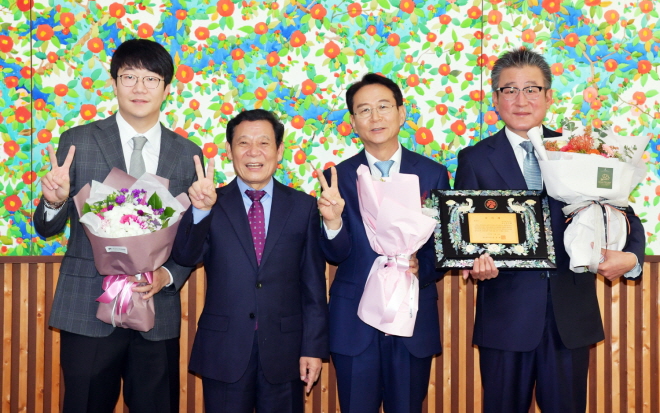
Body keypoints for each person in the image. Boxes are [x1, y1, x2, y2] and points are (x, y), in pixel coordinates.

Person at [454, 47, 646, 413]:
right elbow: (466, 234)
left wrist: (632, 258)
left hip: (569, 318)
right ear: (495, 98)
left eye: (532, 89)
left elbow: (625, 214)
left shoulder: (579, 149)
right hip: (505, 320)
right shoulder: (474, 159)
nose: (521, 100)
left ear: (548, 96)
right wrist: (472, 263)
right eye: (510, 90)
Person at [33, 39, 202, 412]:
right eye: (129, 77)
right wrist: (55, 201)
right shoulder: (78, 141)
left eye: (151, 79)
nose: (140, 88)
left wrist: (168, 275)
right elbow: (47, 228)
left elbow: (194, 236)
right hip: (87, 305)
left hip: (156, 307)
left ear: (166, 89)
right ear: (113, 83)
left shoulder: (187, 153)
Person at [172, 109, 329, 413]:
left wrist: (313, 348)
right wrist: (200, 211)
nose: (253, 152)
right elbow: (185, 256)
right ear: (229, 150)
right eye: (243, 143)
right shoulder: (210, 202)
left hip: (286, 352)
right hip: (224, 350)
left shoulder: (303, 206)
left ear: (279, 151)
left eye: (264, 143)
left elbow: (312, 285)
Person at [317, 73, 450, 413]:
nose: (375, 117)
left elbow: (443, 250)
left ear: (401, 113)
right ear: (353, 122)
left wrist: (422, 267)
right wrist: (332, 223)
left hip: (411, 321)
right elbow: (335, 254)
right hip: (354, 321)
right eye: (364, 110)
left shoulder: (433, 173)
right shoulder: (337, 177)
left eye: (383, 107)